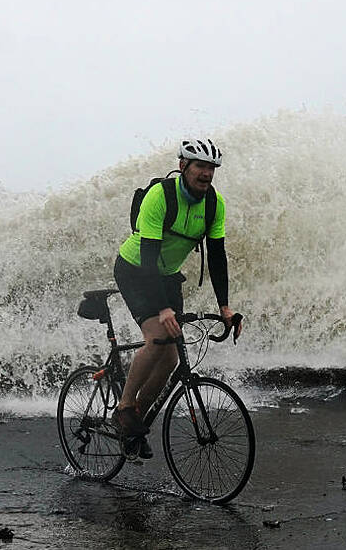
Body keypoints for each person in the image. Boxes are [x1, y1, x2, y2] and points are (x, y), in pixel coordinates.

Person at [112, 138, 241, 457]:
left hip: (167, 275)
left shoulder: (214, 204)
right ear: (183, 166)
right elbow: (148, 257)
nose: (206, 173)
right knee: (157, 337)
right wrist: (164, 308)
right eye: (200, 166)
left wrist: (224, 307)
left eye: (212, 168)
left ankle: (135, 424)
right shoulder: (160, 196)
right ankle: (124, 408)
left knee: (170, 357)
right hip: (136, 269)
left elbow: (217, 256)